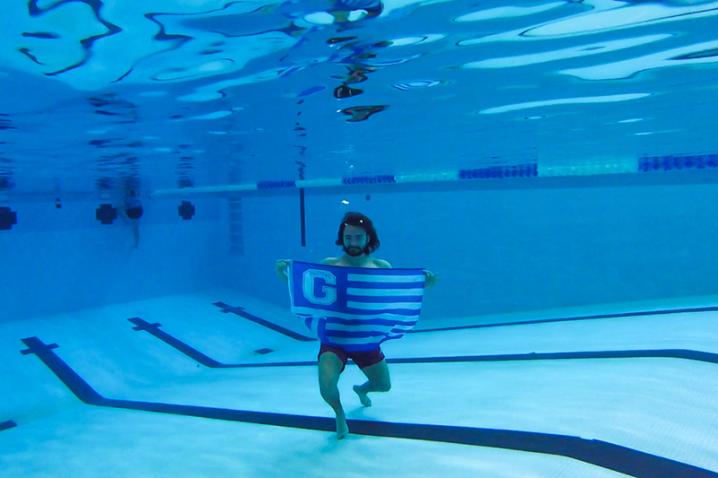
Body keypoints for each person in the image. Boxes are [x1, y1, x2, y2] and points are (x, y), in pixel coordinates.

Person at [276, 212, 436, 439]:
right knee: (326, 383)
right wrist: (283, 273)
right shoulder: (329, 266)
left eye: (358, 237)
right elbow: (303, 292)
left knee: (383, 386)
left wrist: (423, 284)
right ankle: (339, 415)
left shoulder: (381, 267)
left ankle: (362, 389)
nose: (352, 242)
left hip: (366, 341)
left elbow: (395, 297)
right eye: (348, 237)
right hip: (334, 339)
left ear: (368, 238)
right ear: (342, 237)